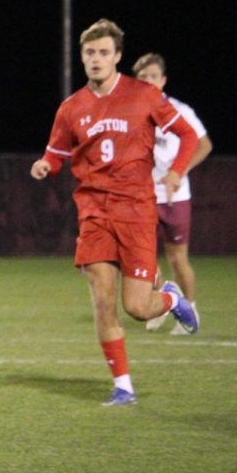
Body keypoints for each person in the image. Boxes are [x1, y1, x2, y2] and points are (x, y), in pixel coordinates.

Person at [31, 20, 201, 407]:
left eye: (103, 52)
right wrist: (45, 166)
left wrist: (176, 171)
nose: (95, 59)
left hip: (137, 211)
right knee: (103, 301)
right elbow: (56, 154)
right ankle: (123, 386)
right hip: (93, 213)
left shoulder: (143, 95)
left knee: (138, 308)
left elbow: (188, 135)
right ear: (83, 56)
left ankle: (172, 299)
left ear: (118, 57)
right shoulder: (71, 108)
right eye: (89, 53)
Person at [132, 53, 213, 334]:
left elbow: (203, 145)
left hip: (174, 196)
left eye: (153, 76)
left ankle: (188, 307)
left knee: (178, 258)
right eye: (142, 77)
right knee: (142, 257)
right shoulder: (131, 112)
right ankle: (159, 303)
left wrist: (180, 171)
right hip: (142, 196)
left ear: (163, 80)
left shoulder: (180, 111)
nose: (148, 81)